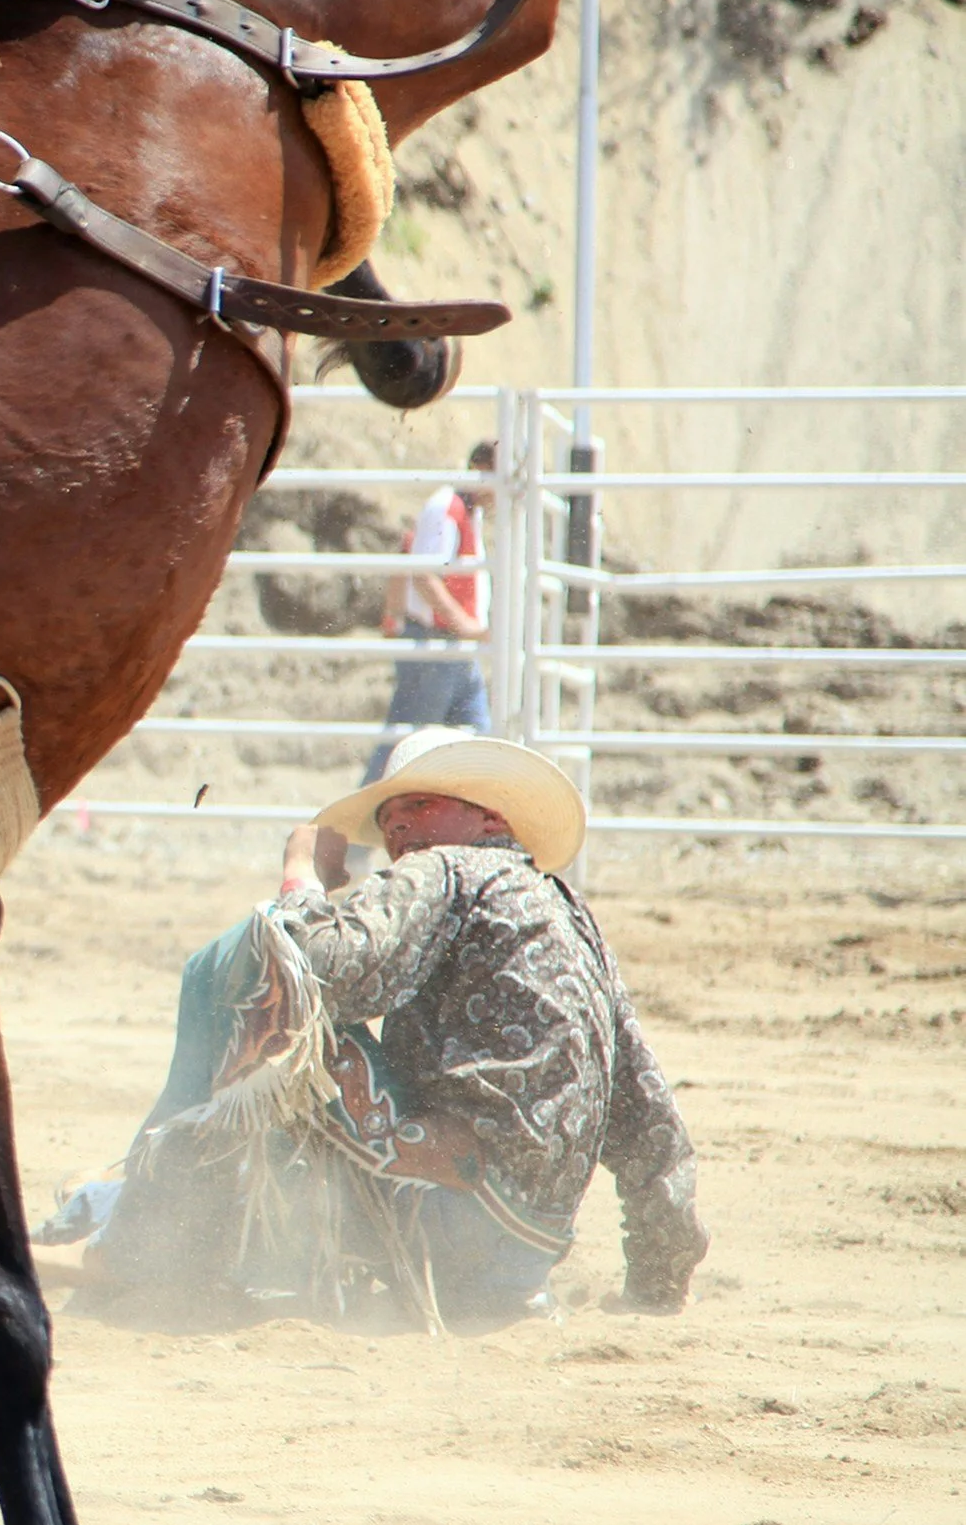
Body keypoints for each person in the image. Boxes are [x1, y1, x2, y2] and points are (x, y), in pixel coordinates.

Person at [40, 727, 707, 1333]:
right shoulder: (573, 919)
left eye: (421, 806)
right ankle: (129, 1202)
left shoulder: (450, 870)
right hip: (519, 1259)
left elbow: (308, 966)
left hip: (442, 1224)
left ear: (489, 818)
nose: (401, 830)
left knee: (241, 964)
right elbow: (652, 1124)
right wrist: (657, 1280)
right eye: (390, 819)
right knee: (287, 1047)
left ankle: (133, 1234)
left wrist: (305, 874)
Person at [364, 440, 496, 780]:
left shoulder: (461, 510)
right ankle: (359, 830)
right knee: (406, 749)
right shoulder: (447, 508)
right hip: (436, 644)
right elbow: (424, 574)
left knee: (467, 740)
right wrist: (466, 625)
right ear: (481, 471)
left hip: (450, 647)